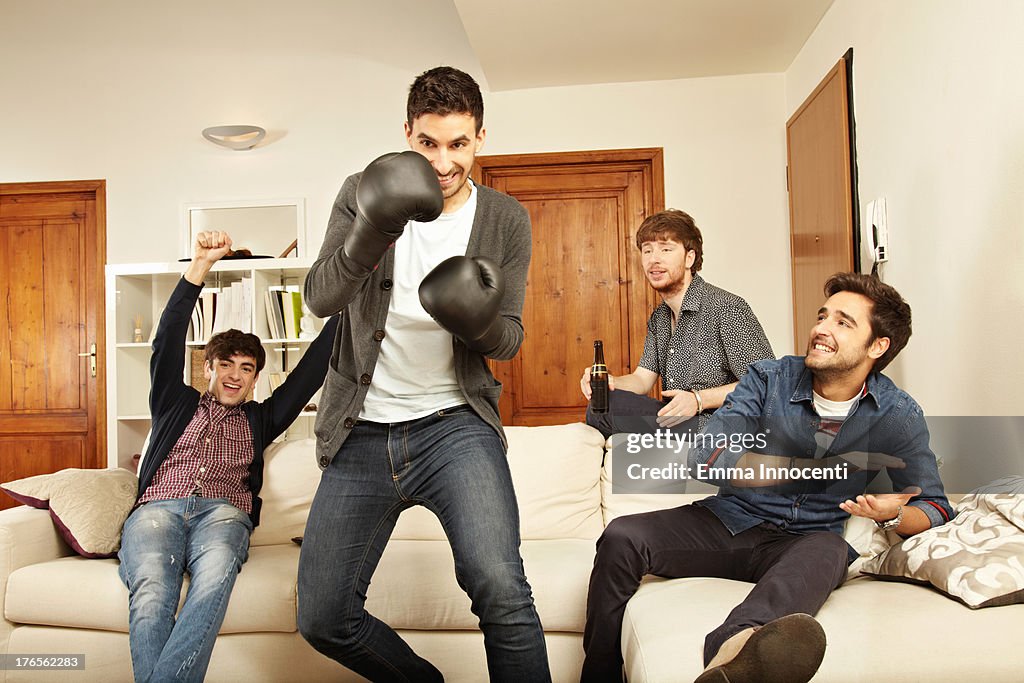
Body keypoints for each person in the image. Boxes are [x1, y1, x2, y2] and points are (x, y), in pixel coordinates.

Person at [297, 66, 550, 682]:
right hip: (361, 430)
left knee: (501, 589)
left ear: (481, 138)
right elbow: (319, 297)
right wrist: (372, 230)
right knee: (323, 617)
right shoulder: (362, 189)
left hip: (454, 427)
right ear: (406, 133)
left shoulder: (505, 219)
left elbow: (510, 341)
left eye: (458, 143)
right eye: (427, 143)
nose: (442, 162)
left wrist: (476, 320)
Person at [580, 272, 953, 683]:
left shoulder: (898, 415)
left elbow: (934, 505)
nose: (821, 329)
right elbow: (708, 455)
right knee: (621, 536)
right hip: (729, 522)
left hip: (805, 541)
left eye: (843, 323)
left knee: (831, 550)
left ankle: (733, 655)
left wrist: (892, 515)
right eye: (823, 316)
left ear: (878, 346)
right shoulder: (768, 379)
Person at [118, 230, 338, 683]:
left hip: (223, 514)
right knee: (152, 590)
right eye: (226, 364)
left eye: (247, 368)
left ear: (256, 378)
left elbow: (314, 365)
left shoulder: (263, 418)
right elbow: (166, 339)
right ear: (207, 368)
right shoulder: (174, 401)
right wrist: (200, 265)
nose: (235, 376)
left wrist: (359, 299)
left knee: (213, 580)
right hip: (158, 509)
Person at [580, 209, 773, 436]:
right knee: (603, 403)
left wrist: (699, 400)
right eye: (647, 250)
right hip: (678, 422)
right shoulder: (660, 318)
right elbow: (642, 379)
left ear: (689, 258)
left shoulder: (726, 307)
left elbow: (766, 383)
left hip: (721, 425)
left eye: (666, 249)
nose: (654, 259)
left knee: (609, 408)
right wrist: (608, 382)